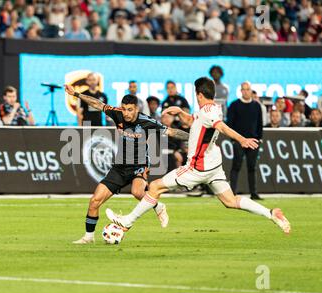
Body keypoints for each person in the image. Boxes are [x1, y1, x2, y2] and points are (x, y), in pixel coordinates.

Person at [105, 77, 291, 235]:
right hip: (214, 165)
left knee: (154, 186)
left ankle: (127, 222)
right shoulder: (212, 109)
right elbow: (197, 121)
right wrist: (180, 113)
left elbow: (220, 127)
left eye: (196, 94)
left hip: (197, 167)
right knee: (230, 201)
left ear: (199, 94)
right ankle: (271, 213)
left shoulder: (208, 113)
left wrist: (241, 139)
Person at [65, 84, 190, 244]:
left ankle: (158, 207)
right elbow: (97, 103)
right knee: (94, 201)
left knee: (137, 192)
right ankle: (88, 237)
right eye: (124, 109)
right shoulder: (117, 115)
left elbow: (172, 132)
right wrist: (76, 94)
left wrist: (195, 139)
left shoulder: (146, 121)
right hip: (119, 166)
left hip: (139, 164)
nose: (126, 113)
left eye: (130, 109)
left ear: (136, 109)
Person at [227, 81, 263, 200]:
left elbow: (259, 123)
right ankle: (232, 192)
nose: (246, 91)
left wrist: (259, 138)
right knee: (236, 166)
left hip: (253, 141)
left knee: (252, 167)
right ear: (241, 91)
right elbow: (229, 124)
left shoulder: (257, 106)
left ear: (251, 91)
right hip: (238, 140)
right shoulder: (234, 105)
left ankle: (254, 193)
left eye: (248, 89)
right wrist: (233, 139)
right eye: (244, 89)